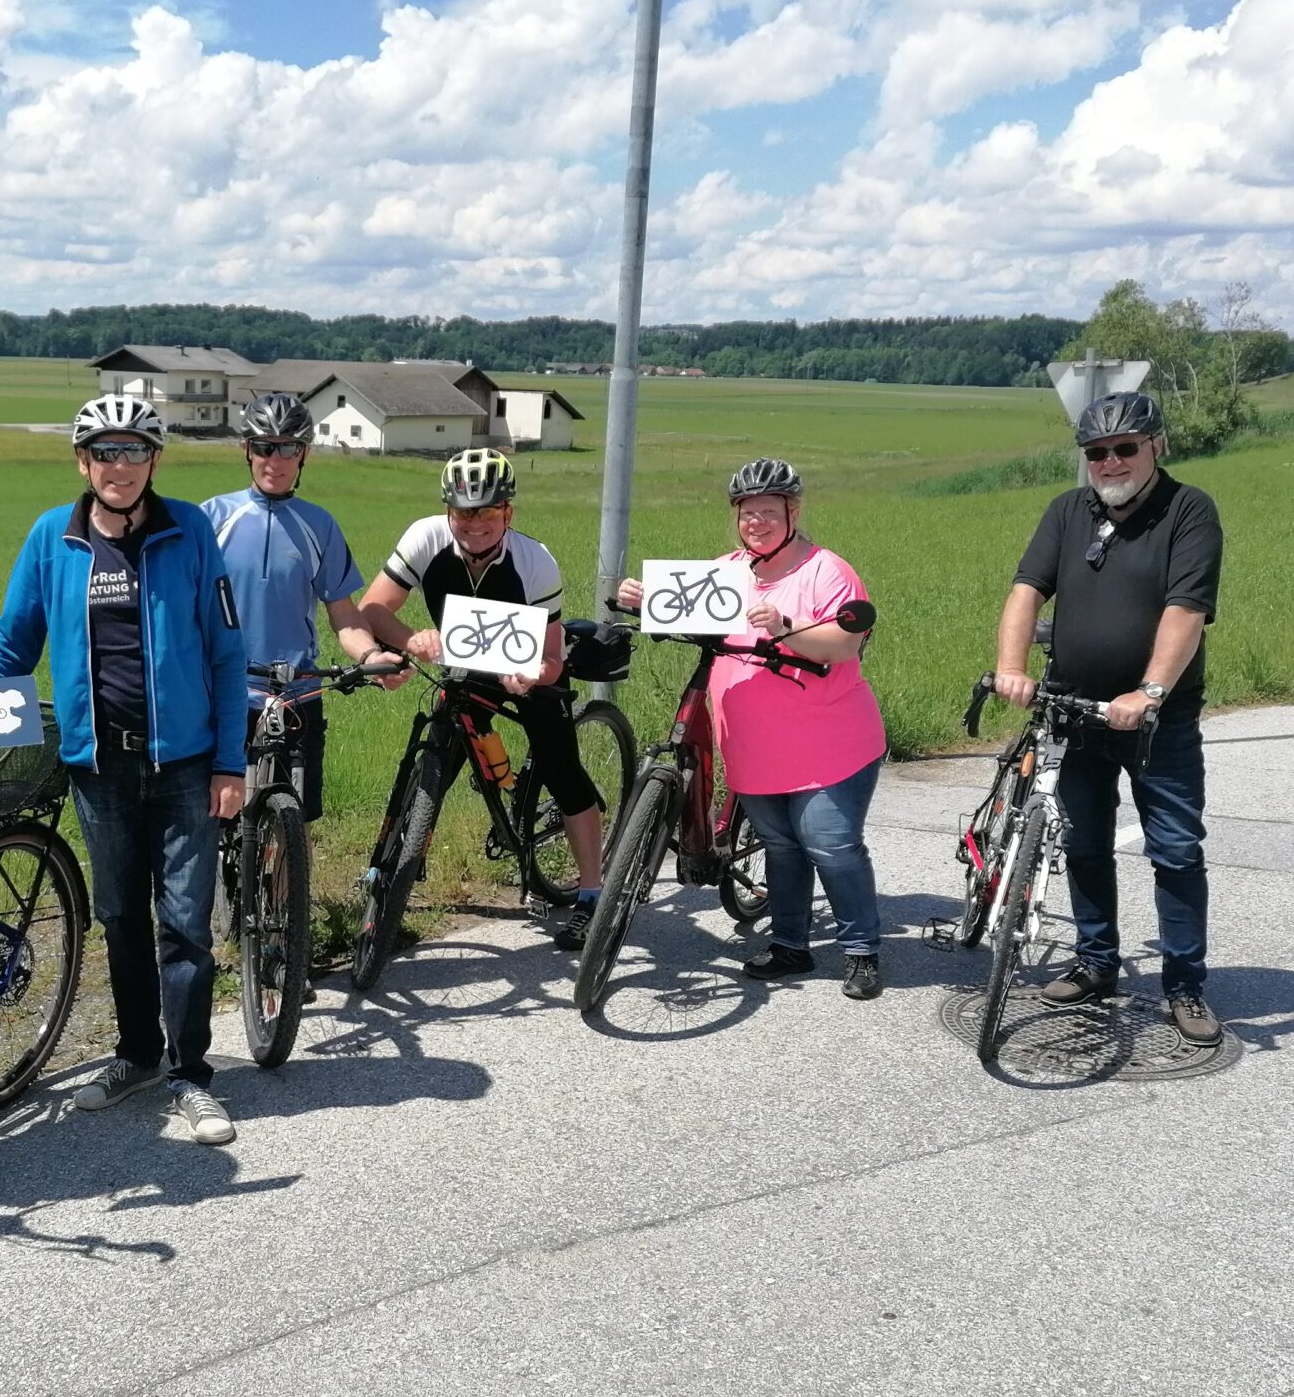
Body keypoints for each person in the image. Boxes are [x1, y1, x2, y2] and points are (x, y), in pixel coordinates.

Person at [0, 395, 248, 1143]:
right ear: (81, 462)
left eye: (132, 451)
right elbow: (10, 646)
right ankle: (137, 1054)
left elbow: (225, 654)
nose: (117, 465)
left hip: (187, 767)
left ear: (153, 461)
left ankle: (191, 1074)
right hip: (99, 770)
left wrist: (231, 760)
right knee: (121, 918)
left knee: (184, 926)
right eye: (102, 451)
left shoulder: (188, 530)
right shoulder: (51, 538)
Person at [991, 391, 1224, 1045]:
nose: (1111, 461)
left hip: (1157, 720)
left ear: (1156, 447)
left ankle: (1184, 983)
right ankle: (1097, 963)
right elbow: (1026, 590)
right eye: (1097, 451)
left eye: (1125, 447)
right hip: (1073, 709)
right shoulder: (1067, 511)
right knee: (1084, 844)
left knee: (1175, 850)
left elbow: (1186, 611)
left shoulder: (1188, 511)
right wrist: (1013, 667)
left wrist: (1149, 691)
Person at [620, 458, 887, 998]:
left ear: (793, 512)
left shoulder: (826, 571)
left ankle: (861, 949)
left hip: (830, 743)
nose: (756, 522)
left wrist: (787, 629)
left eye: (768, 511)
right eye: (747, 513)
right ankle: (791, 944)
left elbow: (844, 643)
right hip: (754, 747)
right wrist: (647, 603)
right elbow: (692, 618)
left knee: (829, 845)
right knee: (781, 846)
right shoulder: (726, 570)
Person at [358, 447, 605, 950]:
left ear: (508, 512)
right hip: (463, 667)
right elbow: (372, 607)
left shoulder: (535, 562)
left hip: (524, 670)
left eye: (489, 510)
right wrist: (410, 639)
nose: (475, 523)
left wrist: (535, 673)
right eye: (464, 511)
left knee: (562, 768)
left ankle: (591, 895)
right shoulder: (426, 537)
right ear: (448, 511)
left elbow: (553, 656)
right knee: (434, 760)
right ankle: (394, 880)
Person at [200, 393, 385, 825]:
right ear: (246, 450)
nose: (275, 459)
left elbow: (344, 613)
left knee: (293, 825)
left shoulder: (319, 525)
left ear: (304, 454)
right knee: (216, 816)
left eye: (288, 447)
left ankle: (286, 892)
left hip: (297, 692)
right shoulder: (213, 518)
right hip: (227, 692)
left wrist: (372, 657)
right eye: (264, 446)